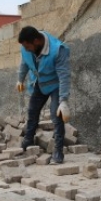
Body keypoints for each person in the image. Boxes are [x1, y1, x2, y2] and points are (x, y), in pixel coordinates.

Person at [17, 26, 71, 164]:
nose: (26, 49)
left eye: (28, 46)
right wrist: (20, 79)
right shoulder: (26, 47)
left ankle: (58, 151)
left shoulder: (58, 50)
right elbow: (25, 63)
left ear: (36, 41)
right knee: (32, 111)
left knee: (56, 115)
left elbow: (64, 76)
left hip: (55, 85)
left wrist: (63, 100)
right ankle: (28, 140)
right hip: (38, 83)